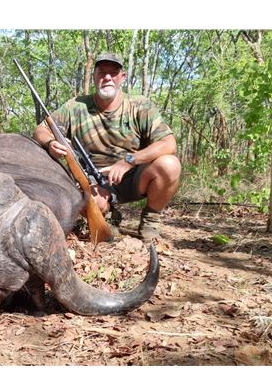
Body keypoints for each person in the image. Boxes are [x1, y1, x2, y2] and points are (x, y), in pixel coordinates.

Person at [33, 52, 181, 240]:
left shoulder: (140, 105)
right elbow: (41, 130)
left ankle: (150, 221)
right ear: (94, 76)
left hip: (132, 176)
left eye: (113, 73)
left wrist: (129, 160)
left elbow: (168, 143)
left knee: (170, 165)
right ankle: (108, 216)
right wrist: (50, 142)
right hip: (93, 181)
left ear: (122, 77)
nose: (108, 77)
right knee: (95, 203)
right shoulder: (75, 106)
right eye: (102, 72)